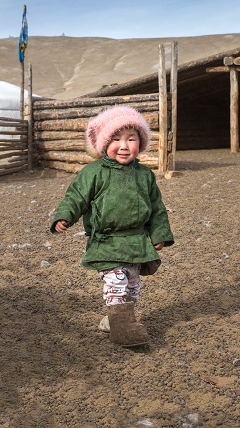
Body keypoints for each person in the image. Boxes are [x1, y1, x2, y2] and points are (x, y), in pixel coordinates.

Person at [50, 105, 174, 347]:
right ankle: (124, 332)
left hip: (136, 242)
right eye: (116, 139)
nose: (124, 145)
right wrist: (65, 216)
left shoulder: (144, 175)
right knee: (116, 282)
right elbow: (76, 197)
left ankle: (113, 320)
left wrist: (159, 233)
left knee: (132, 287)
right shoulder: (93, 173)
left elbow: (156, 207)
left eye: (131, 139)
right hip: (106, 241)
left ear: (141, 142)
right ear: (105, 143)